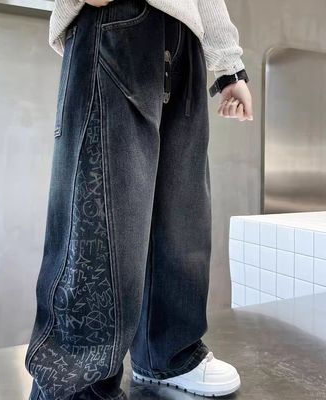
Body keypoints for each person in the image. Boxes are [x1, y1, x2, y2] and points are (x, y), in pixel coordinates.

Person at [24, 0, 254, 399]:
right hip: (118, 21)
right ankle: (77, 387)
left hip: (186, 36)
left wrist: (229, 64)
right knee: (101, 218)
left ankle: (168, 355)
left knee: (181, 216)